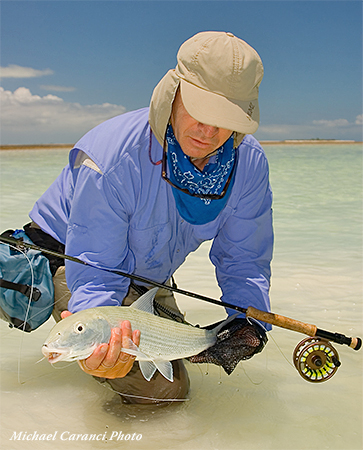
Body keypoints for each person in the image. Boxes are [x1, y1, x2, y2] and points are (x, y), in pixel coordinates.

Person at [26, 31, 273, 404]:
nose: (209, 133)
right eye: (199, 111)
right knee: (166, 391)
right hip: (71, 257)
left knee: (185, 343)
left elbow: (245, 260)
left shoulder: (249, 164)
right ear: (173, 92)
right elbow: (97, 269)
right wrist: (102, 351)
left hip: (146, 270)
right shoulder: (112, 158)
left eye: (225, 119)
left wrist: (248, 321)